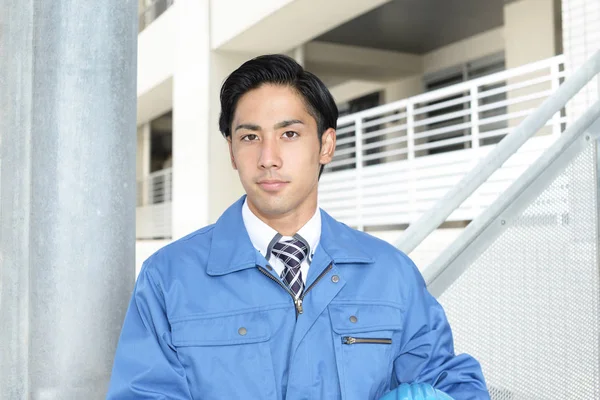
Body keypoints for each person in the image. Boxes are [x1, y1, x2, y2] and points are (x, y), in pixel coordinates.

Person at [107, 54, 490, 400]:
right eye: (250, 137)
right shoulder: (168, 279)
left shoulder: (391, 274)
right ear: (232, 153)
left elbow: (447, 378)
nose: (268, 158)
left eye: (289, 134)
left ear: (325, 145)